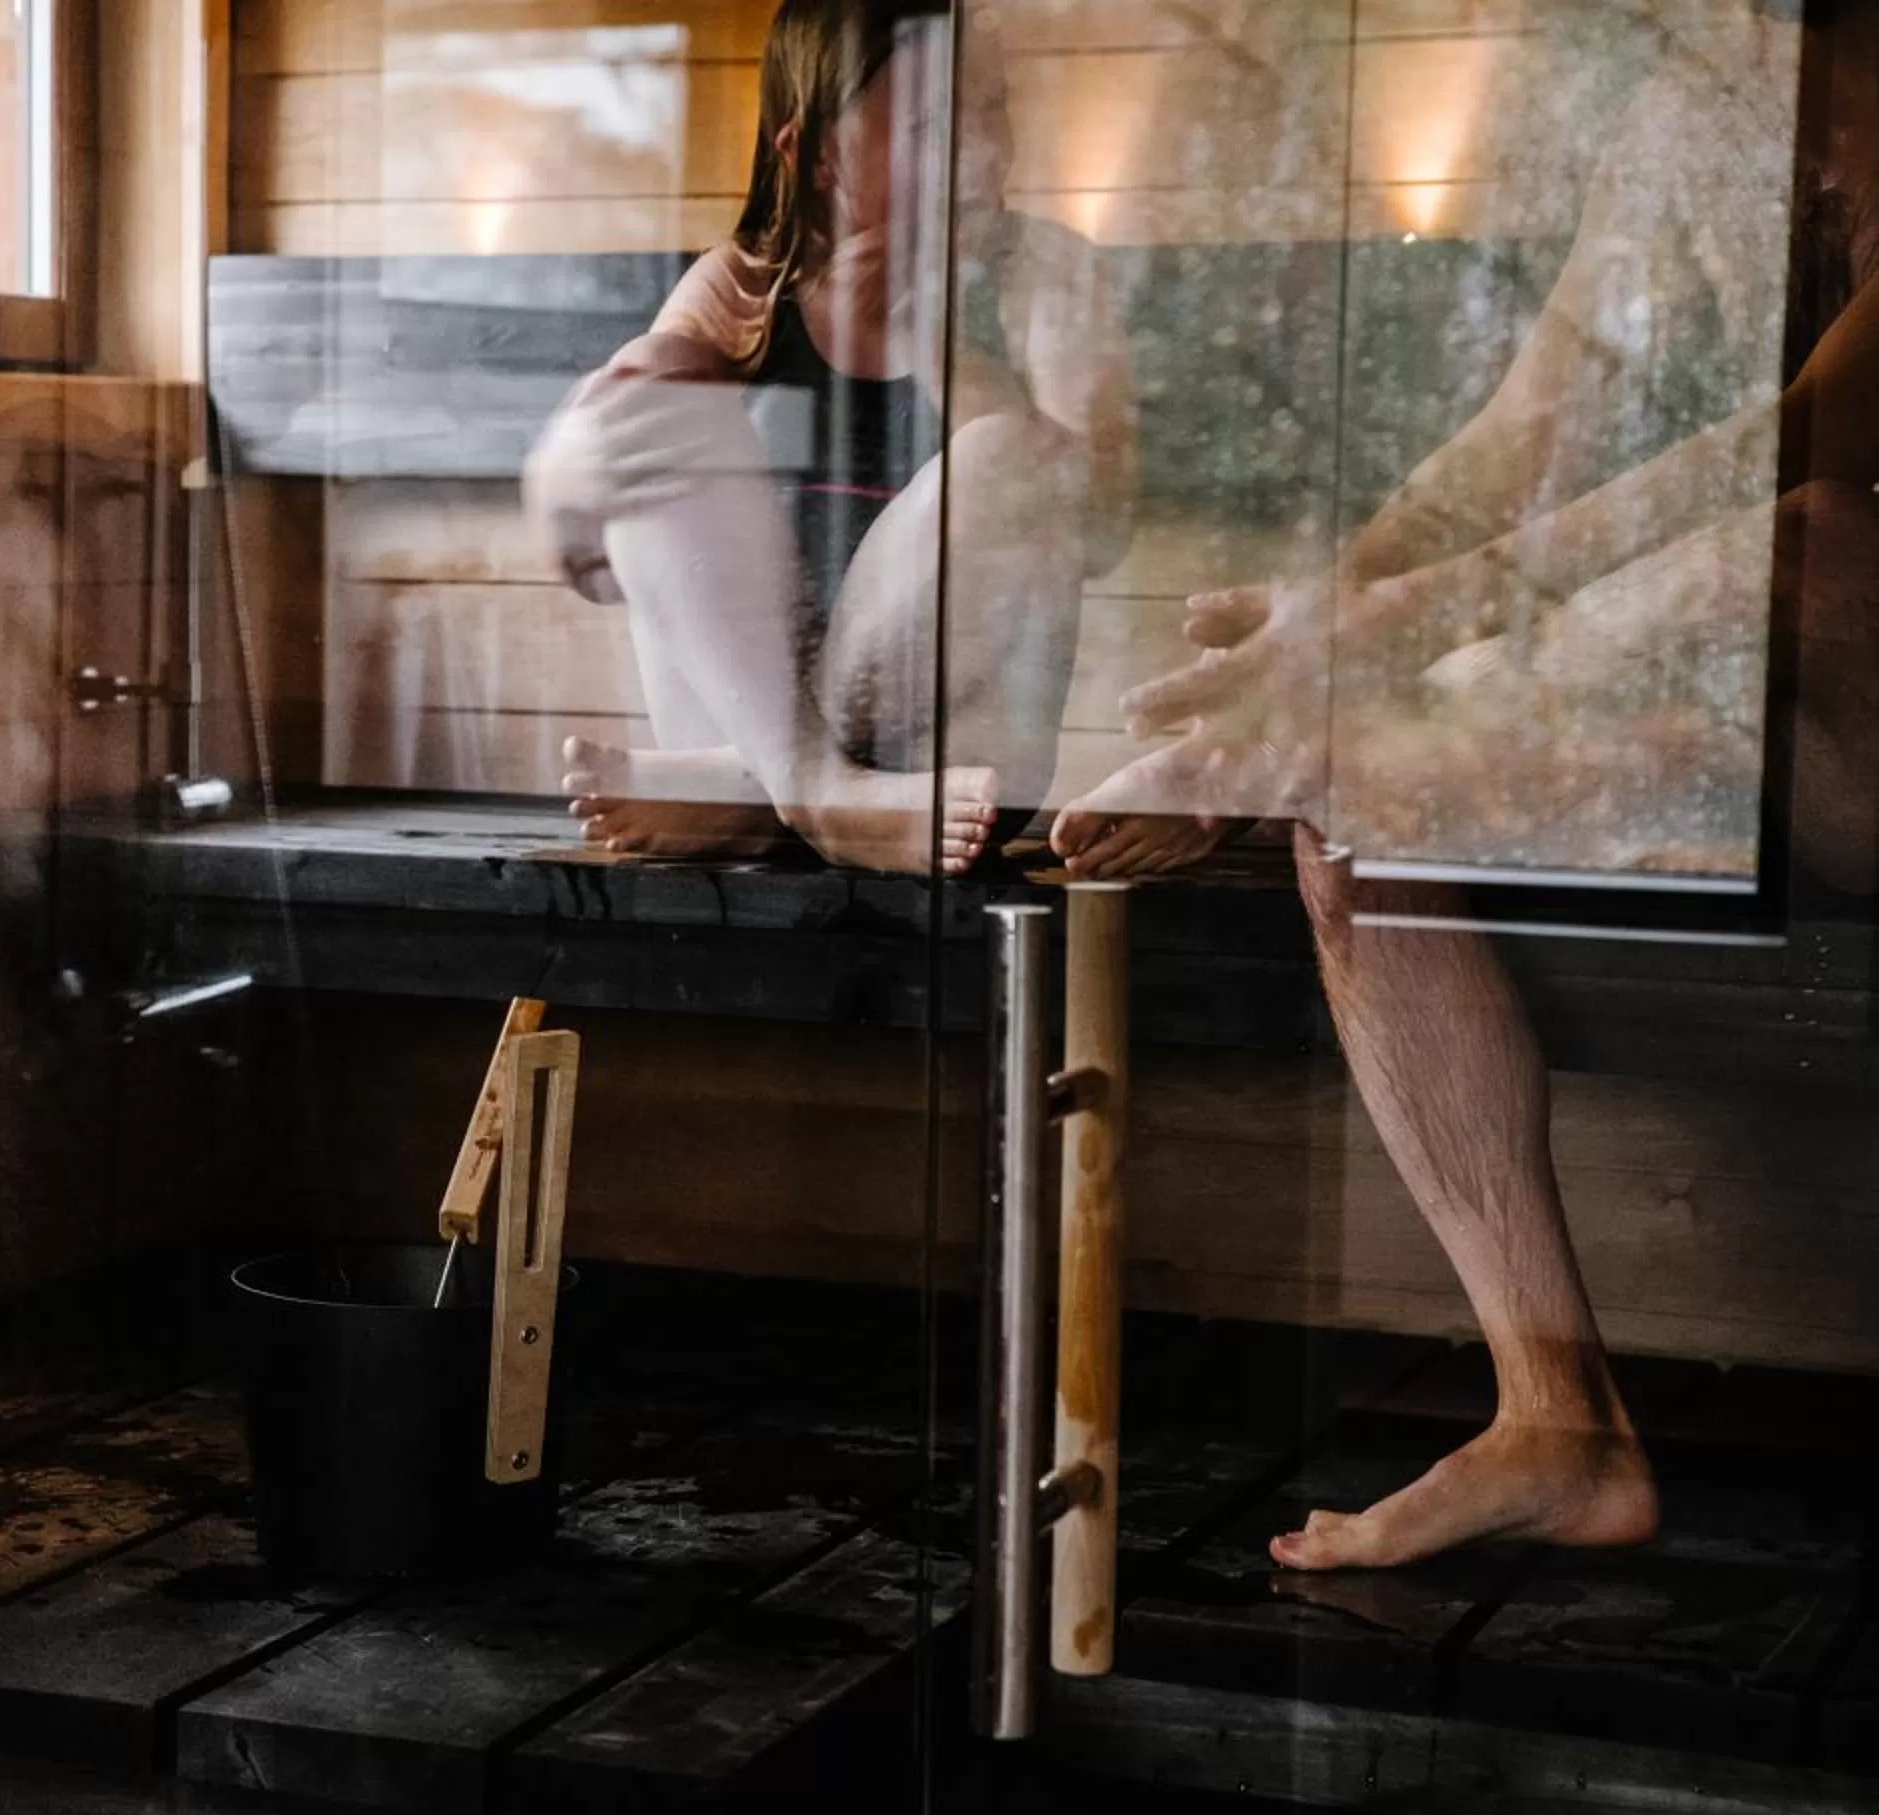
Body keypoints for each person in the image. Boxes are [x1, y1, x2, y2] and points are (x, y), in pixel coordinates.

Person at [1056, 0, 1877, 1569]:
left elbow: (1798, 448)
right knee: (1354, 817)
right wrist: (1337, 618)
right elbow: (1522, 433)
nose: (1692, 37)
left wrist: (1395, 624)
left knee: (1806, 532)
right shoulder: (1699, 120)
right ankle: (1557, 1420)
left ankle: (1303, 729)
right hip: (1723, 724)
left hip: (1856, 696)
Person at [525, 0, 1134, 876]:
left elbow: (1103, 526)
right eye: (932, 126)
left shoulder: (1043, 277)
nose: (985, 152)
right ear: (812, 157)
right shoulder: (743, 287)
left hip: (946, 768)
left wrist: (935, 338)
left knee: (1016, 455)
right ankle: (810, 787)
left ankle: (757, 791)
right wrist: (574, 462)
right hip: (764, 723)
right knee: (650, 376)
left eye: (993, 110)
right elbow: (592, 543)